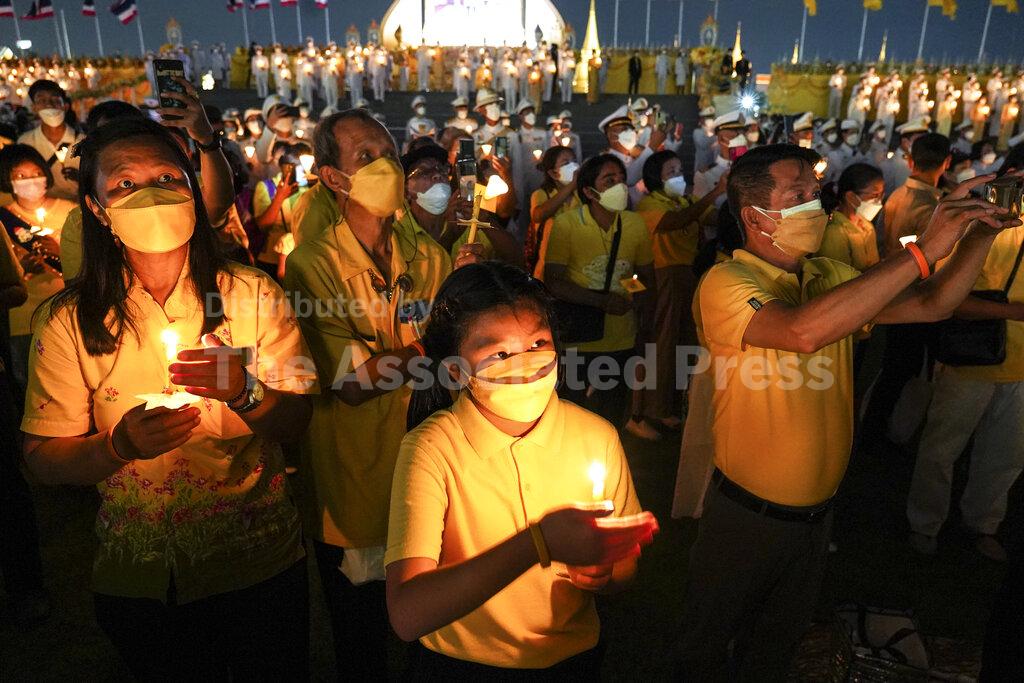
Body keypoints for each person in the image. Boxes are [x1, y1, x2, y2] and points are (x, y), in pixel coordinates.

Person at [676, 143, 1020, 680]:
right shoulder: (726, 283)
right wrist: (922, 251)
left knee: (775, 645)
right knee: (706, 643)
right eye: (798, 195)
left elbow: (934, 304)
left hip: (816, 515)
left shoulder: (830, 275)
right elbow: (802, 330)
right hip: (746, 515)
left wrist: (981, 232)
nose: (815, 204)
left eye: (816, 193)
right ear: (754, 216)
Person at [21, 118, 317, 680]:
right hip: (143, 575)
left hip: (256, 561)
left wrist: (246, 393)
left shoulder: (253, 296)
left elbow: (297, 418)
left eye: (166, 177)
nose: (150, 193)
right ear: (98, 209)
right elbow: (41, 459)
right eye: (125, 184)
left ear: (193, 189)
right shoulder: (67, 322)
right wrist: (118, 444)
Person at [385, 261, 657, 675]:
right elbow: (408, 614)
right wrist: (539, 543)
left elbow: (626, 571)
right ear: (457, 371)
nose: (526, 364)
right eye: (499, 353)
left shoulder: (596, 435)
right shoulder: (432, 447)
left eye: (537, 343)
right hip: (461, 663)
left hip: (573, 659)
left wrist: (604, 569)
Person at [283, 110, 479, 679]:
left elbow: (453, 365)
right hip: (354, 476)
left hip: (430, 462)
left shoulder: (429, 256)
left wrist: (463, 304)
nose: (385, 166)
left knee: (435, 623)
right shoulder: (312, 265)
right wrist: (437, 345)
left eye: (388, 153)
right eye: (364, 157)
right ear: (332, 178)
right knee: (362, 633)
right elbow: (349, 382)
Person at [907, 217, 1024, 562]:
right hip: (973, 358)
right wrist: (1014, 312)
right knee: (942, 447)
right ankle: (925, 523)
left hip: (1019, 371)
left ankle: (983, 525)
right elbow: (949, 299)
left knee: (1006, 456)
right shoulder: (995, 227)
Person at [543, 154, 655, 425]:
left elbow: (641, 276)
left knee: (612, 411)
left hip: (622, 335)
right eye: (609, 180)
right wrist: (602, 301)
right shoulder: (567, 224)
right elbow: (554, 281)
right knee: (571, 412)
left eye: (621, 179)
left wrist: (632, 293)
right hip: (578, 336)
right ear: (589, 191)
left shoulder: (634, 224)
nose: (620, 186)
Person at [860, 134, 951, 448]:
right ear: (947, 162)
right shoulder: (932, 205)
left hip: (894, 288)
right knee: (903, 368)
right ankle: (881, 429)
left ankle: (875, 424)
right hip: (915, 292)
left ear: (911, 161)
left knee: (895, 365)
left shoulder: (899, 194)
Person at [634, 150, 723, 439]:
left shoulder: (685, 200)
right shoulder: (650, 204)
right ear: (655, 178)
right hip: (664, 276)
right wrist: (716, 191)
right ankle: (653, 409)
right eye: (670, 172)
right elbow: (676, 221)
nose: (678, 176)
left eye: (678, 169)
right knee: (663, 342)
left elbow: (713, 219)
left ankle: (673, 406)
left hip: (688, 275)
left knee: (683, 341)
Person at [0, 144, 74, 391]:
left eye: (34, 173)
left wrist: (59, 251)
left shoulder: (70, 212)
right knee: (30, 385)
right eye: (20, 176)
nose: (30, 181)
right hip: (25, 316)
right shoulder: (4, 220)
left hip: (68, 309)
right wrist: (19, 266)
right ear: (8, 181)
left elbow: (87, 260)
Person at [396, 143, 519, 265]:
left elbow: (515, 260)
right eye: (424, 171)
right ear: (406, 191)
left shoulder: (462, 219)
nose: (437, 175)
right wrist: (450, 235)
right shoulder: (398, 233)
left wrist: (484, 220)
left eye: (442, 169)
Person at [252, 142, 310, 282]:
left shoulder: (309, 188)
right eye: (299, 167)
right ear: (287, 167)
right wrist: (279, 197)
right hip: (271, 259)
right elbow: (263, 225)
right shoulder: (267, 187)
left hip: (301, 257)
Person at [16, 80, 82, 202]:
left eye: (55, 100)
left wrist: (82, 178)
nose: (49, 105)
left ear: (65, 106)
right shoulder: (25, 142)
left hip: (77, 208)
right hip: (40, 207)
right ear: (34, 108)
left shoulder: (83, 141)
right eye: (42, 101)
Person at [817, 163, 883, 271]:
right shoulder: (834, 232)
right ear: (851, 196)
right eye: (875, 195)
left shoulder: (866, 225)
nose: (879, 201)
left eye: (881, 195)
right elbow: (839, 281)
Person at [529, 146, 580, 277]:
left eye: (574, 161)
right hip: (549, 263)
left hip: (579, 263)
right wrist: (570, 187)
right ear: (553, 173)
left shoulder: (582, 194)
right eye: (566, 163)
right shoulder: (542, 194)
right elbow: (538, 215)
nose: (573, 166)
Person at [599, 105, 665, 204]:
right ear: (611, 135)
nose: (631, 132)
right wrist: (651, 147)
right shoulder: (605, 161)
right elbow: (628, 178)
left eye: (631, 129)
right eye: (624, 129)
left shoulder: (634, 156)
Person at [694, 111, 746, 208]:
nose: (742, 139)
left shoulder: (752, 169)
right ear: (721, 139)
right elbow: (700, 213)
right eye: (736, 135)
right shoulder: (704, 175)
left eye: (743, 134)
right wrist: (718, 190)